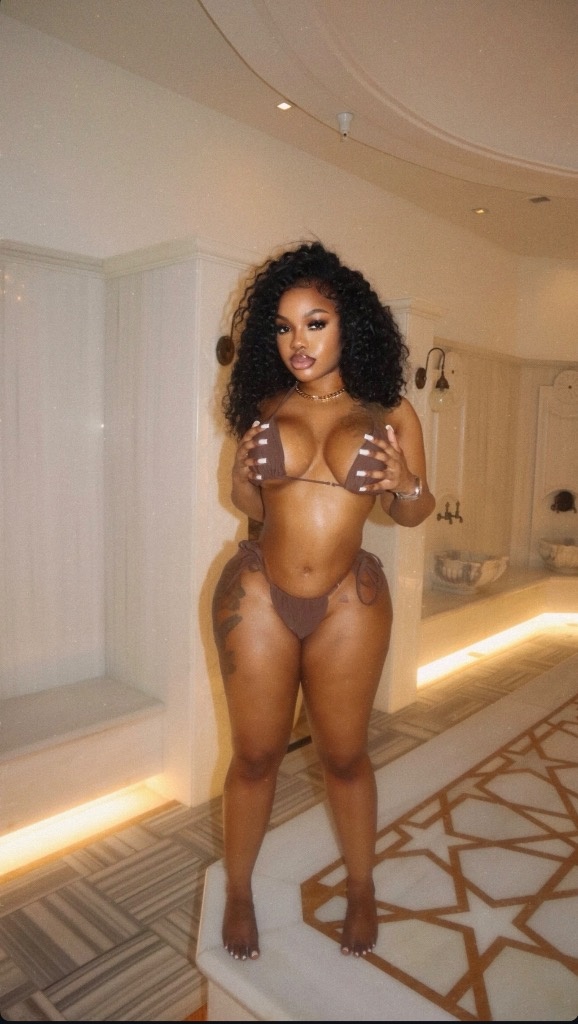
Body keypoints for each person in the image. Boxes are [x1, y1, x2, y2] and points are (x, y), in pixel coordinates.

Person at [212, 241, 435, 962]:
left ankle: (362, 887)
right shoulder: (264, 404)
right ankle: (239, 889)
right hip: (259, 592)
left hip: (348, 601)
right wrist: (243, 478)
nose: (297, 342)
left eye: (314, 323)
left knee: (344, 756)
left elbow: (413, 513)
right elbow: (251, 505)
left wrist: (404, 482)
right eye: (283, 327)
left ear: (350, 326)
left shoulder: (390, 411)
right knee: (255, 756)